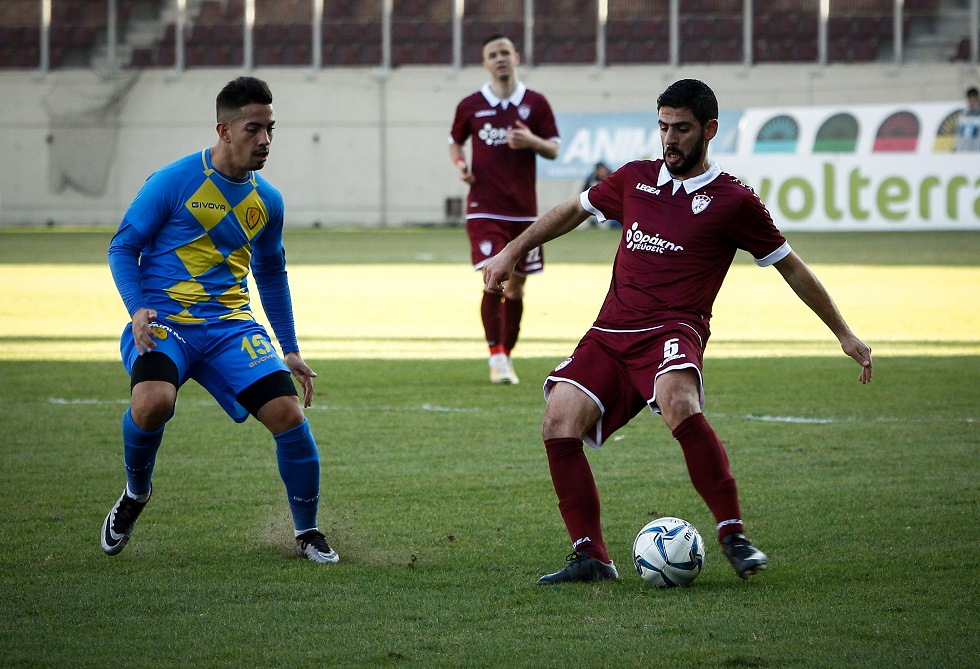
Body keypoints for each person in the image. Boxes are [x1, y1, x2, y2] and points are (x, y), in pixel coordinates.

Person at [483, 79, 873, 585]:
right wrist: (513, 250)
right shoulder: (634, 179)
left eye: (682, 129)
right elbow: (572, 212)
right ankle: (591, 556)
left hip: (674, 328)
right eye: (663, 127)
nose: (670, 139)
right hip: (610, 331)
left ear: (709, 130)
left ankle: (733, 533)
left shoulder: (734, 201)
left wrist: (843, 333)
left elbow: (791, 267)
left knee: (677, 399)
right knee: (558, 419)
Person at [101, 76, 339, 564]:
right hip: (166, 320)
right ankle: (135, 494)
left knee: (289, 416)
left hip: (232, 327)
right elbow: (123, 246)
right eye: (254, 129)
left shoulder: (267, 200)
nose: (266, 141)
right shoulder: (174, 181)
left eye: (271, 129)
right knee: (153, 403)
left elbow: (271, 272)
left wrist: (288, 346)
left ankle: (308, 531)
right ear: (224, 129)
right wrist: (137, 307)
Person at [449, 34, 560, 385]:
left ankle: (505, 358)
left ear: (516, 57)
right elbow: (455, 140)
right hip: (484, 208)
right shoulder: (471, 105)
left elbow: (554, 149)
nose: (499, 59)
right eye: (492, 54)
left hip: (525, 213)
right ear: (485, 63)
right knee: (495, 279)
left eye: (504, 53)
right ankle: (496, 355)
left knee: (516, 289)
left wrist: (532, 142)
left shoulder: (536, 104)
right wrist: (461, 165)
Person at [580, 162, 617, 229]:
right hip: (595, 204)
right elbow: (583, 193)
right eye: (599, 170)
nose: (601, 172)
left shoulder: (613, 177)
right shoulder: (591, 179)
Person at [954, 86, 980, 152]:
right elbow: (958, 136)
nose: (972, 103)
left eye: (973, 100)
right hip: (962, 154)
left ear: (978, 100)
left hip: (976, 154)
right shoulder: (962, 116)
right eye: (969, 100)